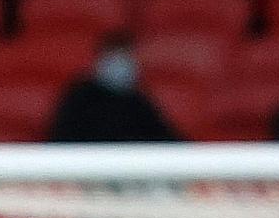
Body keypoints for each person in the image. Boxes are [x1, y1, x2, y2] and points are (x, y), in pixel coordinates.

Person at [48, 35, 180, 143]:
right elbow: (61, 139)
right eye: (114, 58)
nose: (120, 65)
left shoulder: (136, 100)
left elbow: (166, 139)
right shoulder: (80, 97)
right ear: (100, 60)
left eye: (125, 58)